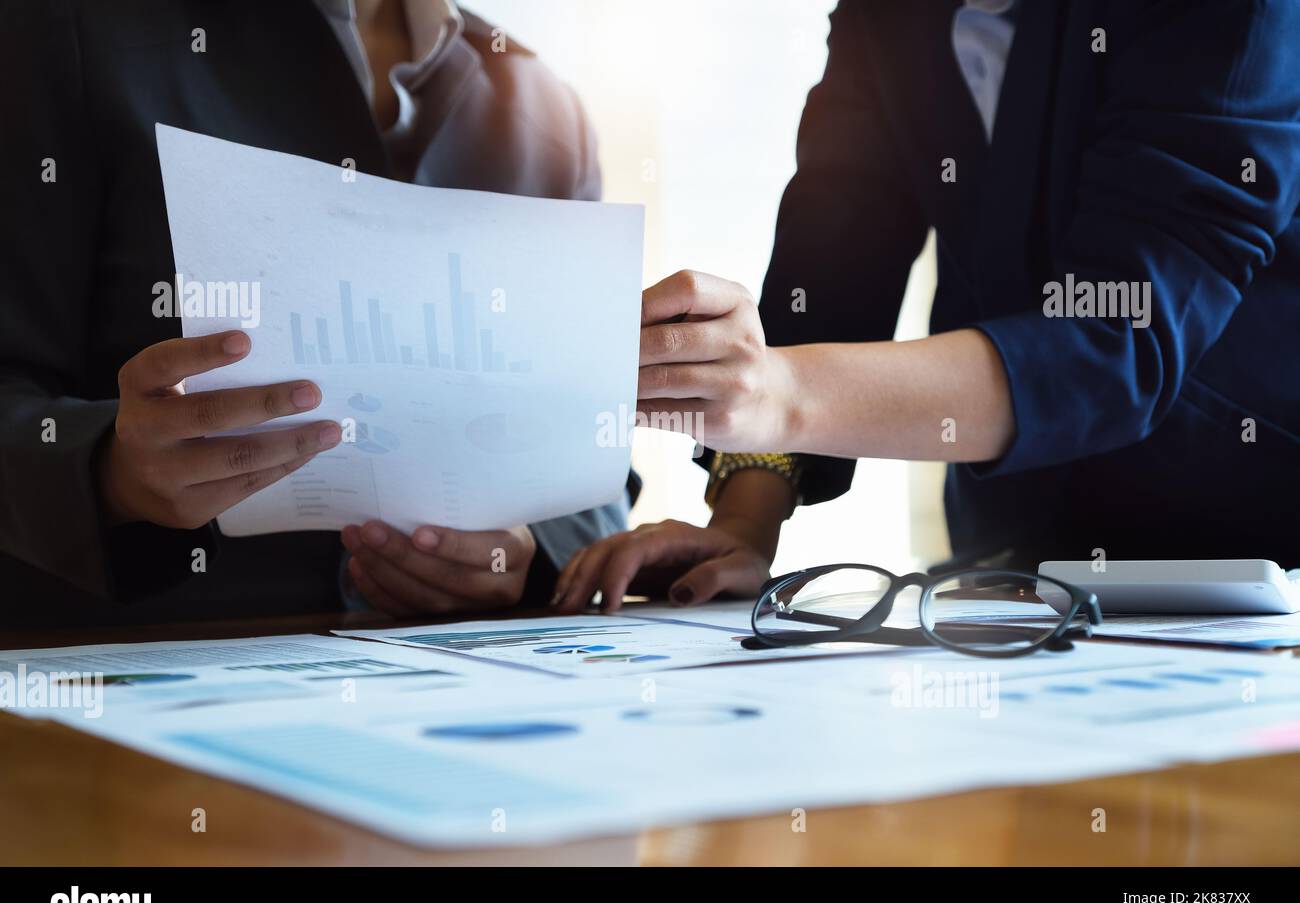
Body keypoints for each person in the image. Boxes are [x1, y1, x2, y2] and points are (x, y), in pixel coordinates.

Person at [554, 0, 1300, 612]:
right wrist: (745, 522)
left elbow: (1120, 333)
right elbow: (829, 272)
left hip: (1256, 552)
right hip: (1013, 567)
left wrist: (779, 396)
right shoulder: (886, 18)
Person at [0, 0, 630, 628]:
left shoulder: (545, 112)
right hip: (129, 670)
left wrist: (526, 559)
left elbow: (589, 449)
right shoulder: (61, 32)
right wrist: (108, 475)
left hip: (460, 681)